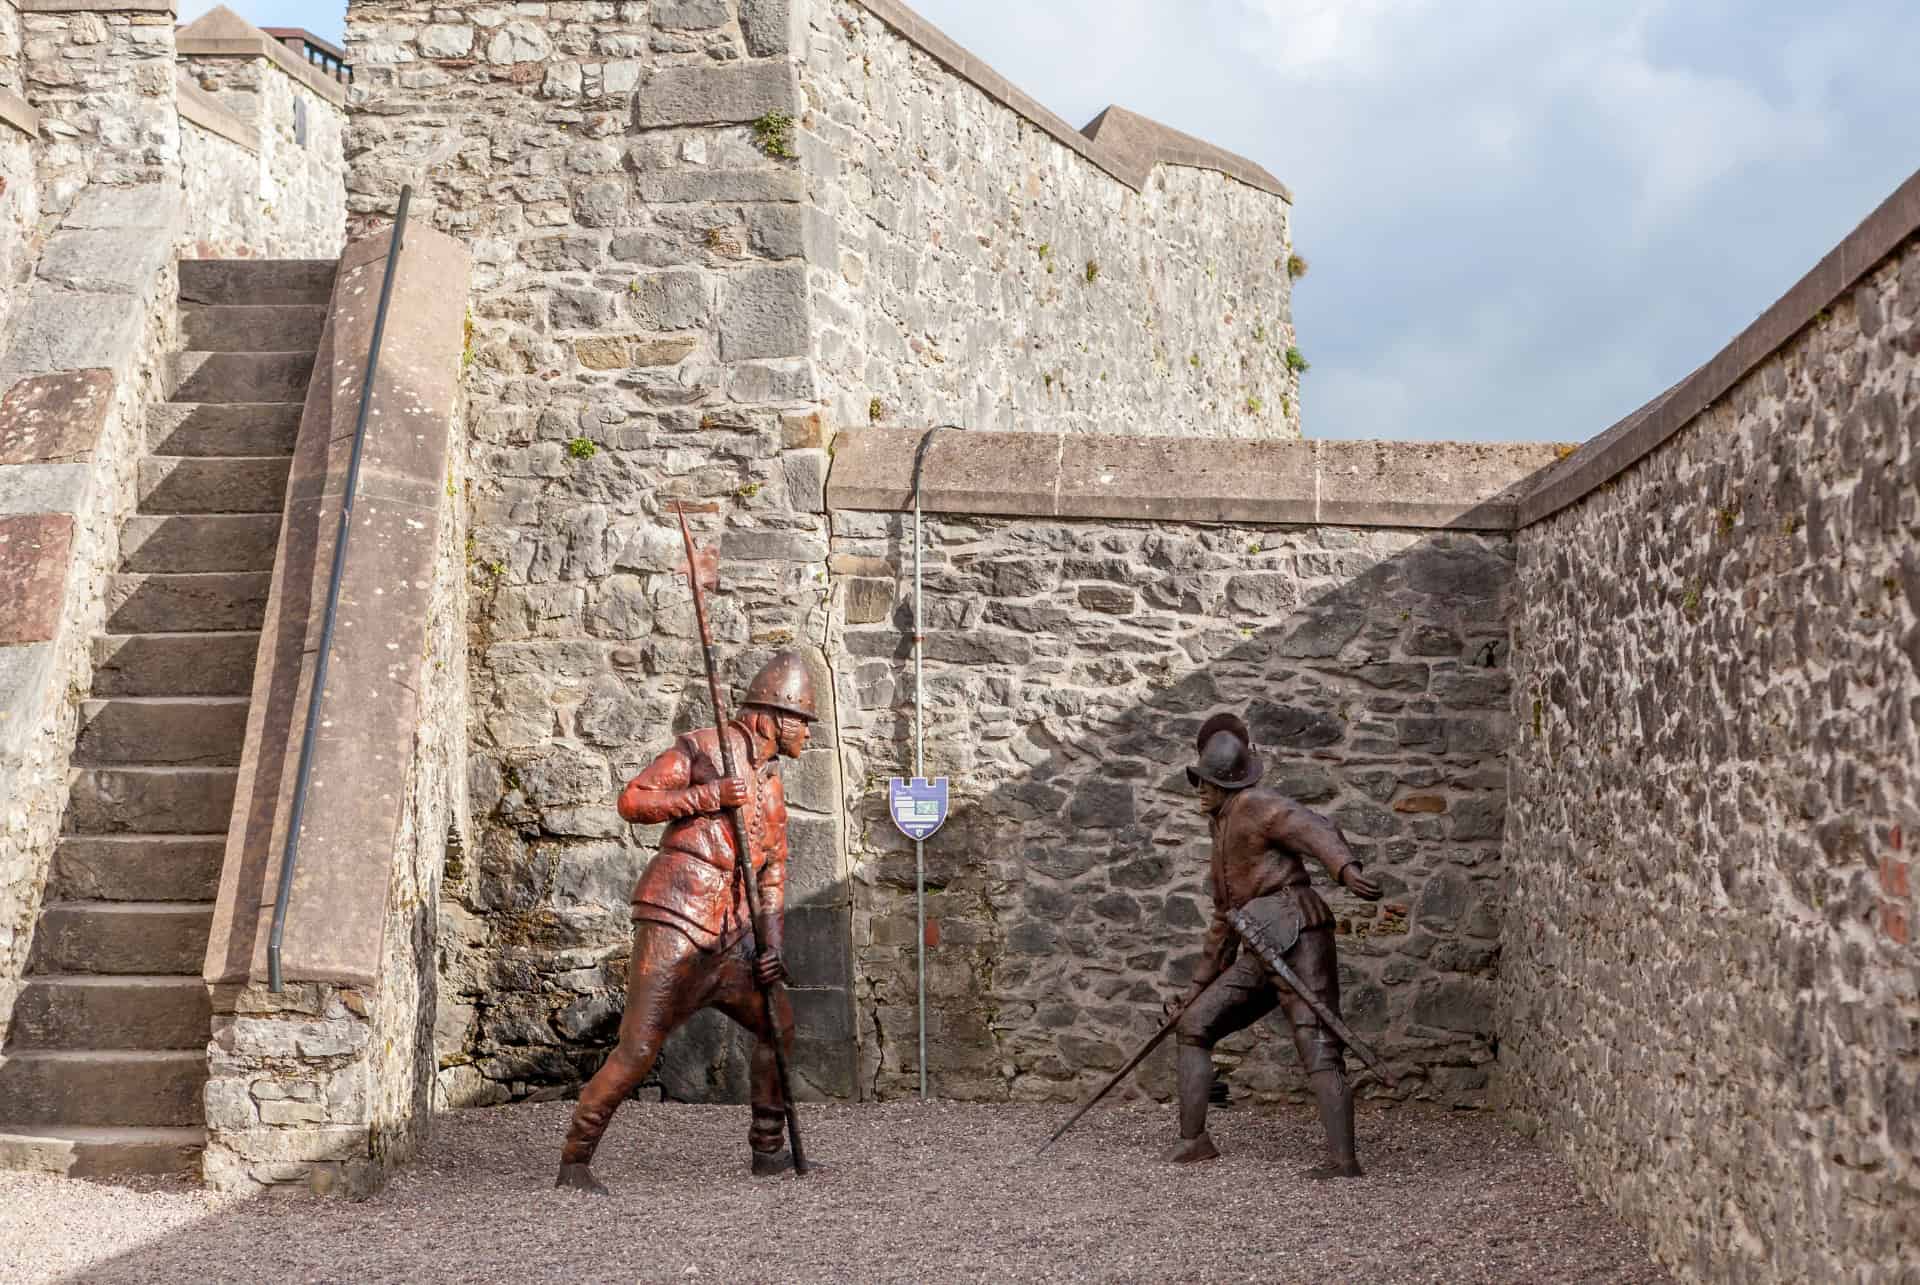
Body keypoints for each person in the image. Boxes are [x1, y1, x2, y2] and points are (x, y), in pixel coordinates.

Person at [554, 651, 817, 1195]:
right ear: (773, 716)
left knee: (778, 1024)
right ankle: (575, 1161)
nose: (808, 735)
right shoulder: (704, 748)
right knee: (638, 1048)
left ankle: (767, 1151)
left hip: (733, 938)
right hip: (678, 919)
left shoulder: (771, 789)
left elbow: (774, 872)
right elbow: (634, 799)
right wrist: (709, 797)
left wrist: (770, 945)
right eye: (803, 722)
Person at [1163, 712, 1383, 1177]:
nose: (1198, 790)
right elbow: (1225, 920)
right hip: (1259, 943)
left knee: (1317, 1040)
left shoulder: (1255, 805)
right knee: (1195, 1024)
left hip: (1298, 929)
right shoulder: (1220, 828)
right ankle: (1194, 1141)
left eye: (1205, 782)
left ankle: (1343, 1161)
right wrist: (1195, 992)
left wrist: (1345, 868)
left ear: (1226, 784)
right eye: (1196, 781)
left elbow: (1309, 826)